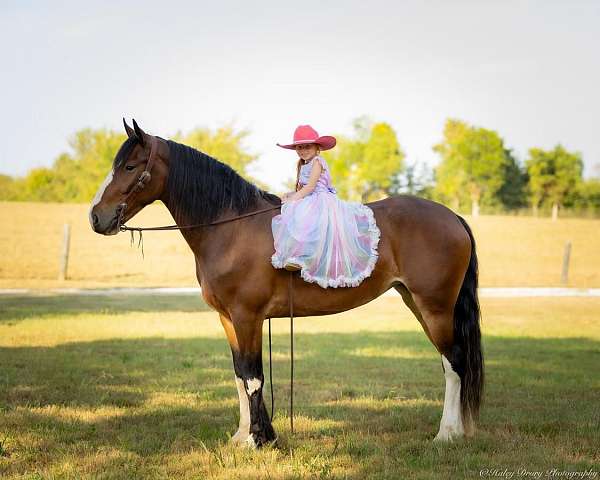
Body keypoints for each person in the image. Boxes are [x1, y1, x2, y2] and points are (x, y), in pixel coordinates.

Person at [271, 125, 381, 288]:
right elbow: (302, 188)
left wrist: (294, 199)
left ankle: (308, 256)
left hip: (321, 199)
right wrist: (290, 195)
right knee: (293, 214)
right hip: (309, 197)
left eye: (307, 146)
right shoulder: (302, 164)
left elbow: (310, 187)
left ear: (317, 148)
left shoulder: (317, 162)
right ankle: (295, 255)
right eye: (299, 147)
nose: (302, 150)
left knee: (307, 219)